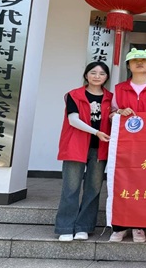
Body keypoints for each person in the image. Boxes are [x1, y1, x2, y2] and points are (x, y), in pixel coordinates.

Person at [109, 47, 146, 243]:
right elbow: (111, 114)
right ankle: (119, 226)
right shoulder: (119, 89)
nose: (139, 63)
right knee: (121, 183)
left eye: (143, 60)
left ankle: (139, 225)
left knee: (143, 185)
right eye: (135, 60)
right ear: (128, 65)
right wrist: (119, 112)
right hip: (124, 146)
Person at [55, 61, 112, 242]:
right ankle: (65, 227)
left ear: (106, 77)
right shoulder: (74, 95)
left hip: (99, 149)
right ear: (86, 75)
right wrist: (96, 132)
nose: (97, 76)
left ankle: (83, 227)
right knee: (70, 188)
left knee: (93, 189)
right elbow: (73, 120)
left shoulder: (110, 98)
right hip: (75, 146)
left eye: (101, 73)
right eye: (93, 72)